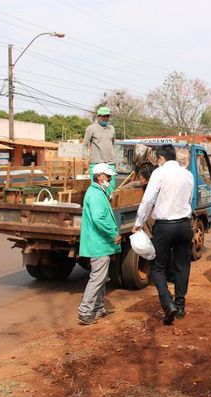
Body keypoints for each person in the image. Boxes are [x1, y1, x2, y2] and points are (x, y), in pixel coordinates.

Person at [132, 145, 194, 325]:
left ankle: (168, 303)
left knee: (158, 267)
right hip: (184, 225)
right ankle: (180, 305)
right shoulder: (187, 174)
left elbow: (148, 200)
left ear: (160, 158)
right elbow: (189, 200)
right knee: (182, 265)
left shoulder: (159, 173)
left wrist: (138, 224)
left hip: (165, 226)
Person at [77, 163, 121, 325]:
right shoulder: (95, 194)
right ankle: (85, 311)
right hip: (99, 243)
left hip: (99, 243)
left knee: (101, 277)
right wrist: (113, 233)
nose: (109, 178)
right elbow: (98, 218)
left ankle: (98, 308)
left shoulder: (98, 192)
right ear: (98, 176)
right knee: (97, 278)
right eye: (107, 176)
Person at [83, 106, 116, 195]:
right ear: (98, 117)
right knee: (97, 188)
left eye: (107, 116)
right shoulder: (91, 128)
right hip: (96, 162)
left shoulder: (112, 129)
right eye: (103, 116)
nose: (105, 118)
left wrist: (114, 160)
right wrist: (86, 159)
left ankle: (109, 206)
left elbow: (112, 144)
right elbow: (85, 145)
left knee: (110, 189)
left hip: (110, 163)